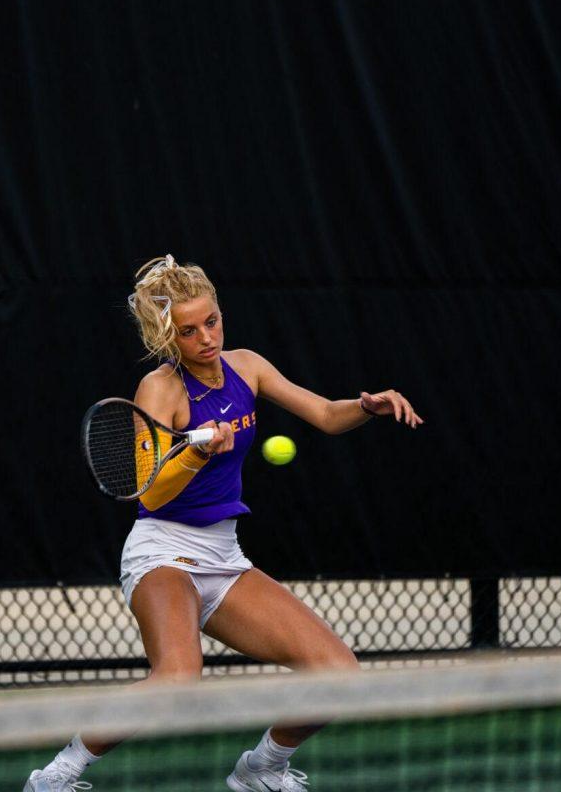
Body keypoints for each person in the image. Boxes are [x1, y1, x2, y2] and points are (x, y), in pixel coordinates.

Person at [25, 255, 422, 792]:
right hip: (161, 552)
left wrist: (366, 406)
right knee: (179, 677)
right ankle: (57, 775)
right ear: (170, 337)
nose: (206, 338)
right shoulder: (160, 390)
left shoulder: (248, 366)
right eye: (188, 331)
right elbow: (149, 492)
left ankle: (261, 769)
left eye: (211, 321)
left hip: (223, 557)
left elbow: (327, 415)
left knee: (338, 673)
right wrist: (196, 452)